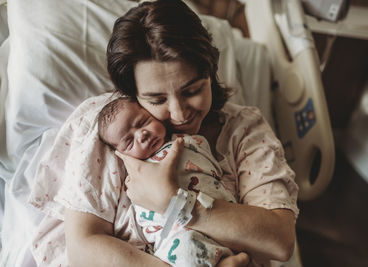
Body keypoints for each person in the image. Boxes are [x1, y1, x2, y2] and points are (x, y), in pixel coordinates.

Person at [58, 0, 299, 266]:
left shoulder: (243, 131)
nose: (180, 114)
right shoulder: (110, 130)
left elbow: (280, 240)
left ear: (211, 70)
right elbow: (82, 248)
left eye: (192, 91)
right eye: (157, 100)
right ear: (133, 93)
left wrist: (178, 204)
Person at [97, 97, 236, 266]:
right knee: (186, 253)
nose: (142, 134)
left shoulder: (186, 140)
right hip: (175, 232)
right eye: (129, 141)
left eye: (143, 122)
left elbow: (214, 169)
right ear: (120, 154)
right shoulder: (135, 176)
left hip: (216, 211)